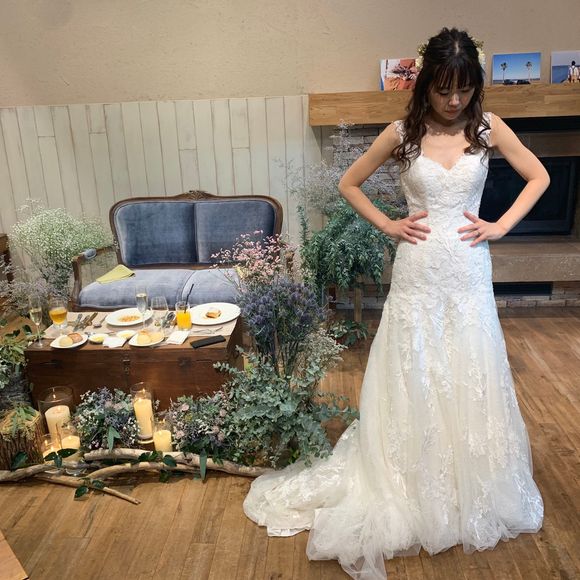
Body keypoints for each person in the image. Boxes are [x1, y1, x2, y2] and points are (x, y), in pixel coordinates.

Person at [243, 27, 549, 580]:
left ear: (475, 87)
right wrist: (388, 223)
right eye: (443, 89)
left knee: (470, 365)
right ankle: (409, 475)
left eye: (463, 90)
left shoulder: (487, 127)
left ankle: (472, 477)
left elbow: (539, 175)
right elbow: (349, 183)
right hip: (417, 270)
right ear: (426, 83)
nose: (453, 101)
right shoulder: (402, 133)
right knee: (415, 366)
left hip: (468, 271)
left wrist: (501, 225)